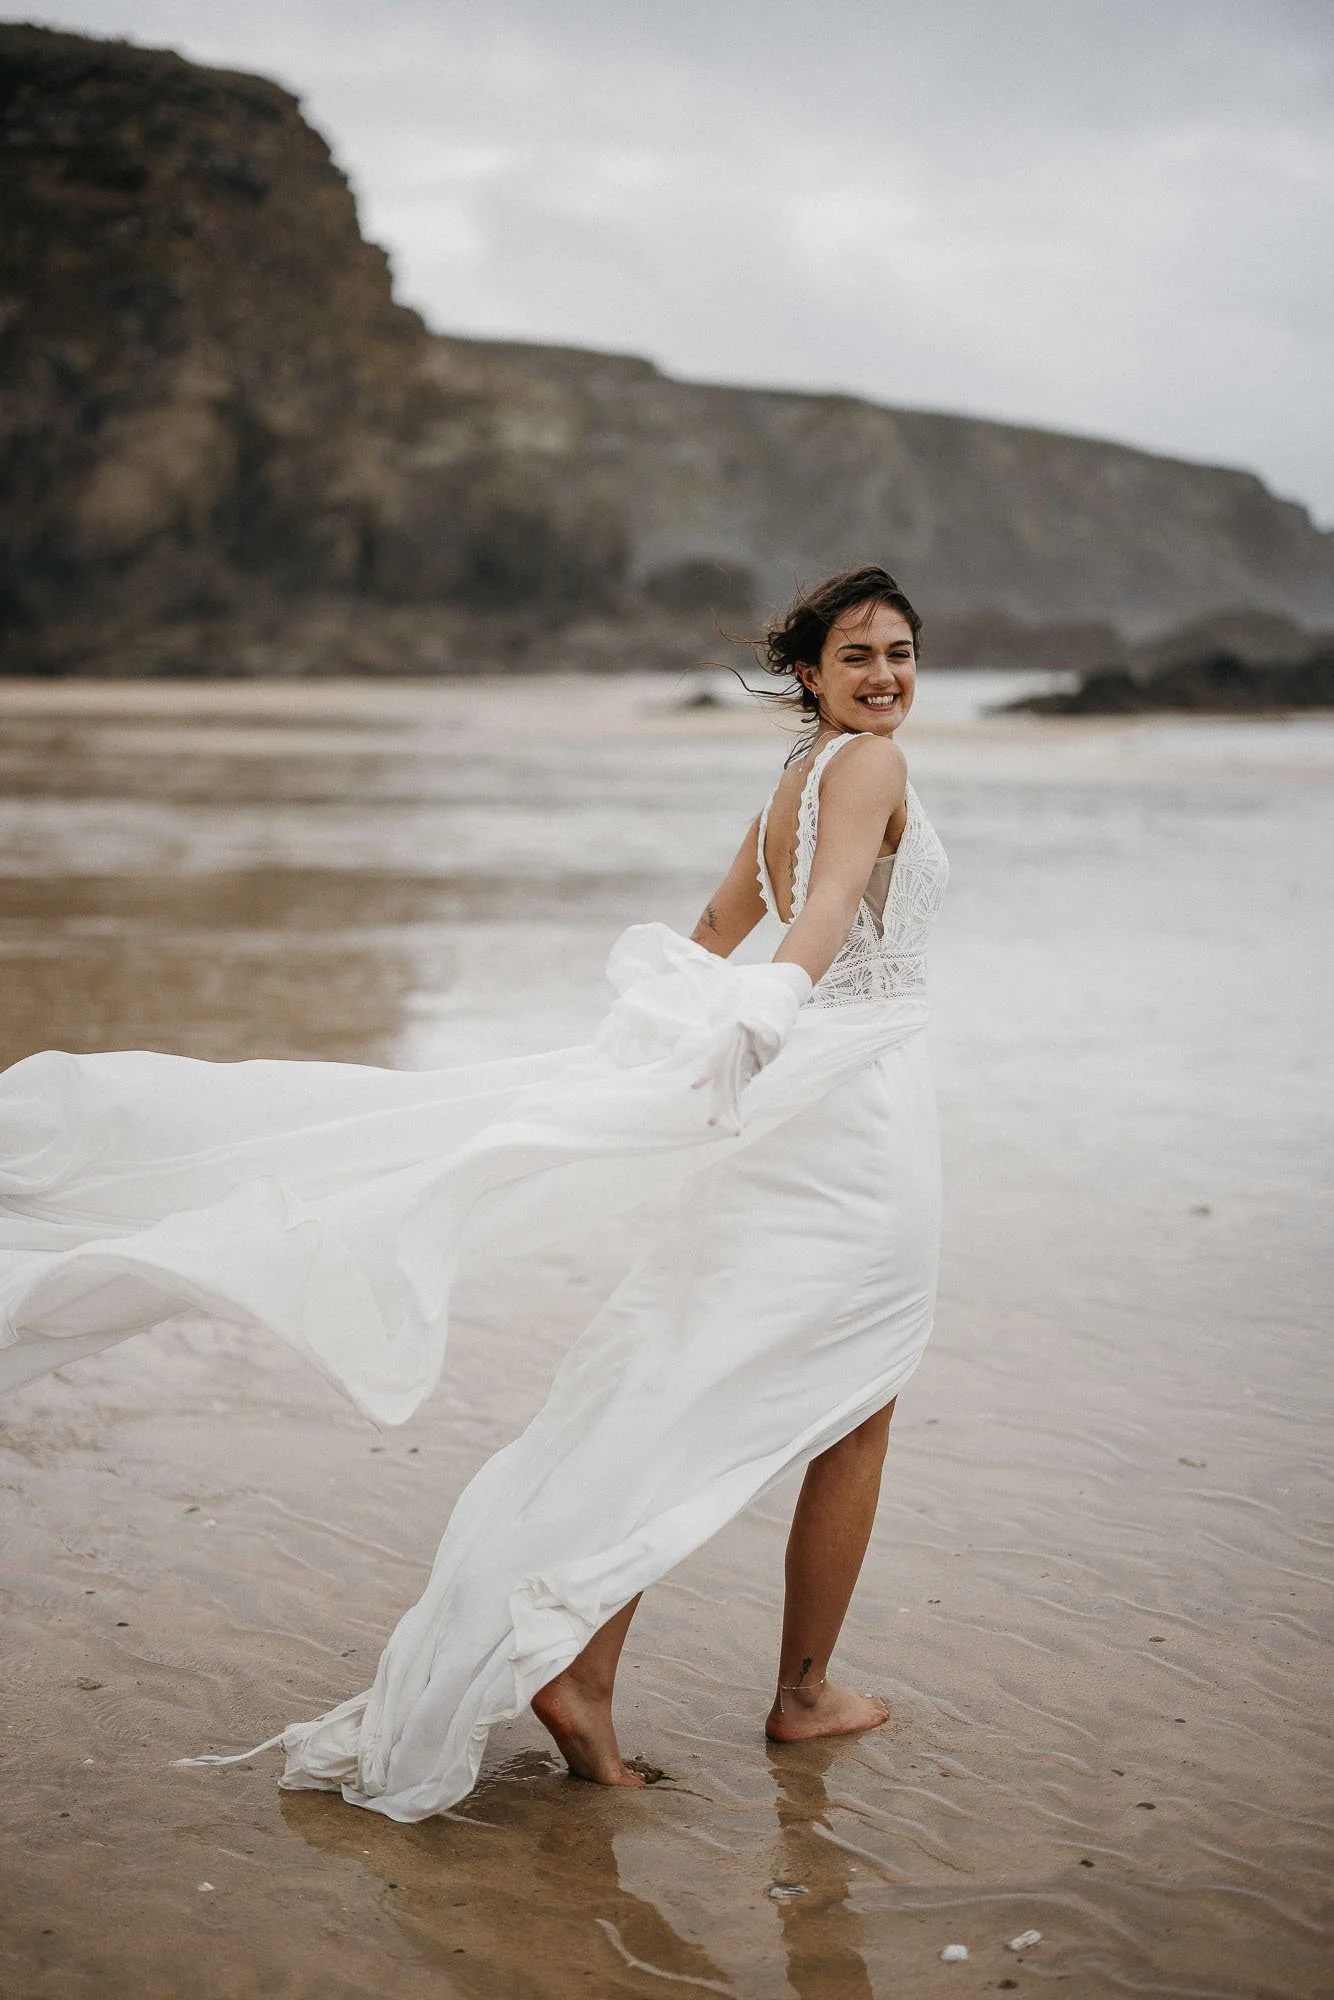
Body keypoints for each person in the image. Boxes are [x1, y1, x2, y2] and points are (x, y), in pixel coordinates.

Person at [0, 565, 948, 1822]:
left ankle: (592, 1663)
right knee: (851, 1398)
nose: (883, 676)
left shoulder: (793, 779)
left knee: (671, 1385)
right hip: (857, 1124)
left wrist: (663, 1051)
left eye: (900, 652)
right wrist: (768, 1011)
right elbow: (818, 912)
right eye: (857, 656)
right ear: (810, 675)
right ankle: (799, 1688)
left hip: (785, 1118)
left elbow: (719, 918)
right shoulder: (865, 769)